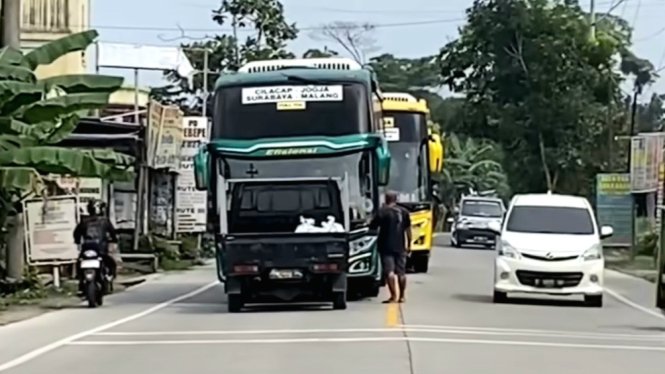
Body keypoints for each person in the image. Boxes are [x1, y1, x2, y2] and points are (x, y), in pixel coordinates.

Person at [370, 191, 412, 303]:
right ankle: (402, 296)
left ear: (386, 199)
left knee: (389, 272)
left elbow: (372, 226)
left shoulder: (382, 212)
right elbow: (408, 230)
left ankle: (393, 296)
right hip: (401, 246)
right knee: (401, 272)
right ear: (396, 199)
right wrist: (409, 244)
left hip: (386, 246)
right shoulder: (404, 212)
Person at [73, 199, 118, 294]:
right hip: (100, 250)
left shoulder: (84, 221)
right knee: (111, 263)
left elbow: (76, 234)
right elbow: (113, 233)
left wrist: (77, 242)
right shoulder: (104, 221)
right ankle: (109, 277)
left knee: (79, 263)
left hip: (87, 249)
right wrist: (114, 240)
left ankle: (80, 281)